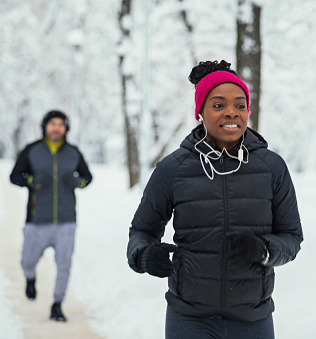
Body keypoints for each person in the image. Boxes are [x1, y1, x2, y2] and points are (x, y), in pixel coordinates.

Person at [127, 60, 303, 338]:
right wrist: (144, 256)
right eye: (219, 105)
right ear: (200, 112)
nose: (231, 112)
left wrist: (266, 250)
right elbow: (142, 231)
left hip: (252, 319)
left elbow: (292, 237)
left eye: (240, 105)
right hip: (189, 319)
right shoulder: (173, 169)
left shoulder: (272, 168)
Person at [10, 110, 92, 322]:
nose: (56, 128)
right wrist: (31, 180)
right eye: (52, 124)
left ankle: (57, 304)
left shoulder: (73, 152)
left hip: (67, 222)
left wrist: (78, 183)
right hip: (37, 221)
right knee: (27, 261)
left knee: (64, 264)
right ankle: (30, 278)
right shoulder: (32, 150)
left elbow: (87, 177)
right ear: (45, 126)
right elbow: (15, 176)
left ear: (66, 128)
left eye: (61, 124)